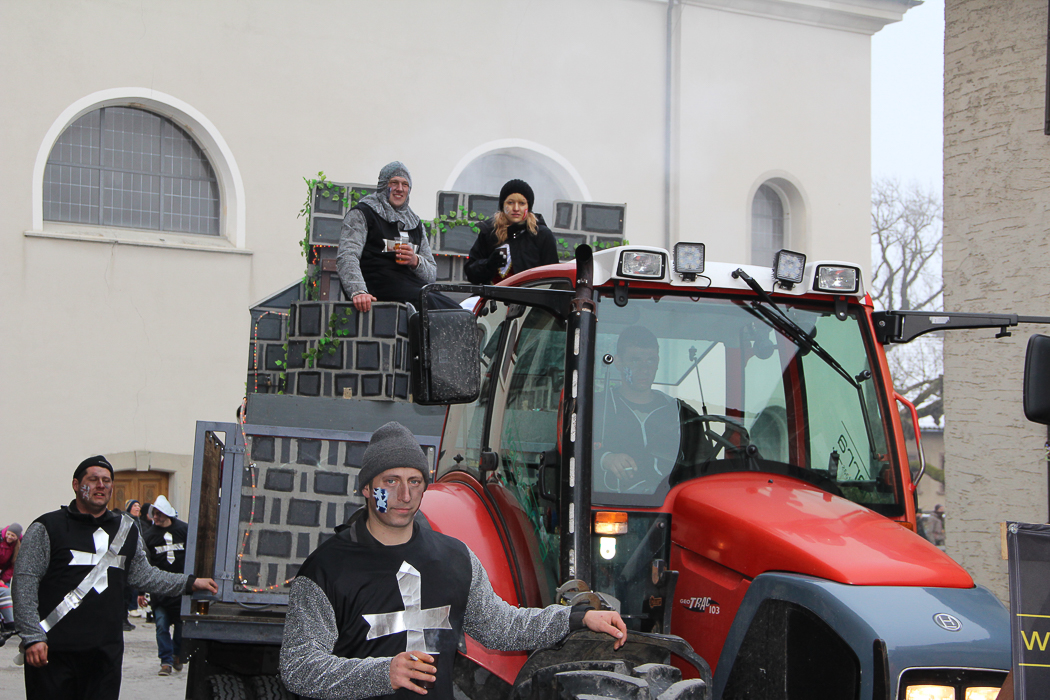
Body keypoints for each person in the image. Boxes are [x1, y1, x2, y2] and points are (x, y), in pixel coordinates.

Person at [280, 422, 627, 699]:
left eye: (415, 481)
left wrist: (577, 617)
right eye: (391, 481)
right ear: (368, 489)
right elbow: (298, 667)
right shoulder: (327, 569)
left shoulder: (454, 557)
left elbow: (500, 627)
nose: (404, 495)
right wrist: (383, 673)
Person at [12, 455, 218, 700]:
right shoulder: (47, 527)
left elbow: (144, 575)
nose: (101, 485)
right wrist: (32, 636)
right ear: (76, 484)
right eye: (93, 479)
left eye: (107, 480)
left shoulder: (126, 529)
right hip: (53, 651)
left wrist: (190, 583)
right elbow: (24, 582)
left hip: (104, 653)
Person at [593, 326, 712, 494]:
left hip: (671, 503)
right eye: (635, 360)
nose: (644, 369)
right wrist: (605, 459)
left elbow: (703, 466)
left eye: (650, 360)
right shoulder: (597, 406)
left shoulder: (681, 413)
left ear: (658, 362)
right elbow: (570, 453)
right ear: (618, 362)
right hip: (609, 504)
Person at [337, 161, 458, 313]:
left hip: (410, 286)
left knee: (455, 309)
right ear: (383, 185)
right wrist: (358, 291)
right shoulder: (362, 214)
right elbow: (347, 255)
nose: (400, 189)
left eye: (405, 184)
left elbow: (431, 274)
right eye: (394, 183)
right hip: (376, 286)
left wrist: (415, 261)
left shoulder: (415, 223)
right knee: (429, 301)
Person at [464, 179, 559, 285]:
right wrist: (489, 264)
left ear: (528, 206)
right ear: (502, 205)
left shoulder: (542, 235)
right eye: (510, 203)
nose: (516, 208)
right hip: (493, 294)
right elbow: (471, 274)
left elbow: (553, 278)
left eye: (522, 203)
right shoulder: (489, 232)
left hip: (529, 295)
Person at [138, 495, 188, 676]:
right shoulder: (149, 536)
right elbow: (143, 564)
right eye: (154, 514)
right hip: (159, 591)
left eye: (159, 514)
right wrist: (141, 591)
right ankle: (165, 661)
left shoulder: (184, 530)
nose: (156, 517)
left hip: (181, 589)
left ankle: (177, 655)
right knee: (161, 625)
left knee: (181, 627)